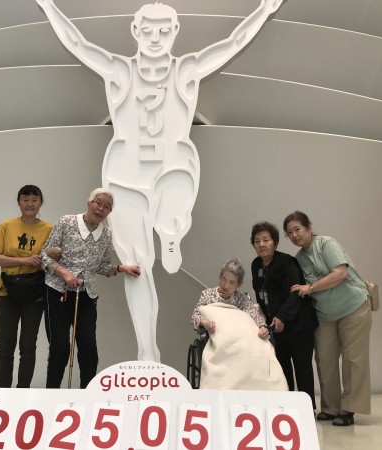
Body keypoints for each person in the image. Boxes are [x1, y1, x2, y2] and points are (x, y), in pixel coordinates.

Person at [36, 0, 284, 362]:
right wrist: (48, 6)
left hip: (172, 168)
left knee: (181, 173)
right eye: (149, 30)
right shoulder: (120, 70)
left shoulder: (186, 70)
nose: (156, 37)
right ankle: (147, 350)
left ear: (175, 32)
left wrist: (263, 10)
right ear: (136, 31)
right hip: (125, 177)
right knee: (137, 267)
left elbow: (232, 43)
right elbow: (78, 43)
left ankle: (171, 230)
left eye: (164, 30)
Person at [41, 188, 141, 388]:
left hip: (86, 296)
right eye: (98, 203)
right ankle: (51, 394)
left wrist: (121, 268)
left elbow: (101, 266)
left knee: (89, 350)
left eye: (107, 206)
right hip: (58, 293)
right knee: (60, 348)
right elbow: (44, 256)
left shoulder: (106, 234)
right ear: (89, 203)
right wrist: (65, 273)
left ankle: (87, 395)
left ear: (110, 212)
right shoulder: (66, 222)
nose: (101, 208)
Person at [284, 211, 372, 426]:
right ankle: (330, 407)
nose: (294, 235)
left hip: (353, 307)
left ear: (309, 227)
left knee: (353, 359)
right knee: (324, 360)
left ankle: (349, 408)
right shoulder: (299, 259)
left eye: (297, 229)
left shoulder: (326, 244)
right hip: (325, 314)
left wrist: (311, 287)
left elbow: (340, 273)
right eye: (290, 233)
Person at [0, 185, 53, 388]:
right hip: (7, 291)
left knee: (28, 346)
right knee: (6, 344)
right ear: (18, 202)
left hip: (35, 294)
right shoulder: (7, 225)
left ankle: (23, 392)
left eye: (34, 200)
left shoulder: (49, 229)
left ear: (41, 203)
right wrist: (25, 261)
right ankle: (3, 390)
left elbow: (53, 259)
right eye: (25, 199)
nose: (30, 204)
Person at [250, 221, 318, 408]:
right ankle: (285, 408)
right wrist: (267, 321)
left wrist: (282, 317)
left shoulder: (287, 262)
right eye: (257, 241)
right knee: (282, 369)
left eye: (266, 240)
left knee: (302, 368)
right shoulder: (256, 265)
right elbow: (261, 296)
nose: (262, 244)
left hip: (298, 325)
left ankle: (307, 409)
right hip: (277, 328)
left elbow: (295, 293)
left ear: (275, 242)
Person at [191, 258, 269, 340]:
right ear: (220, 277)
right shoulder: (208, 294)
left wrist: (262, 327)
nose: (226, 285)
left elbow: (255, 315)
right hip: (214, 337)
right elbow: (195, 316)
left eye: (232, 283)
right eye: (223, 279)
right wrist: (205, 322)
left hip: (236, 337)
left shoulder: (241, 298)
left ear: (239, 285)